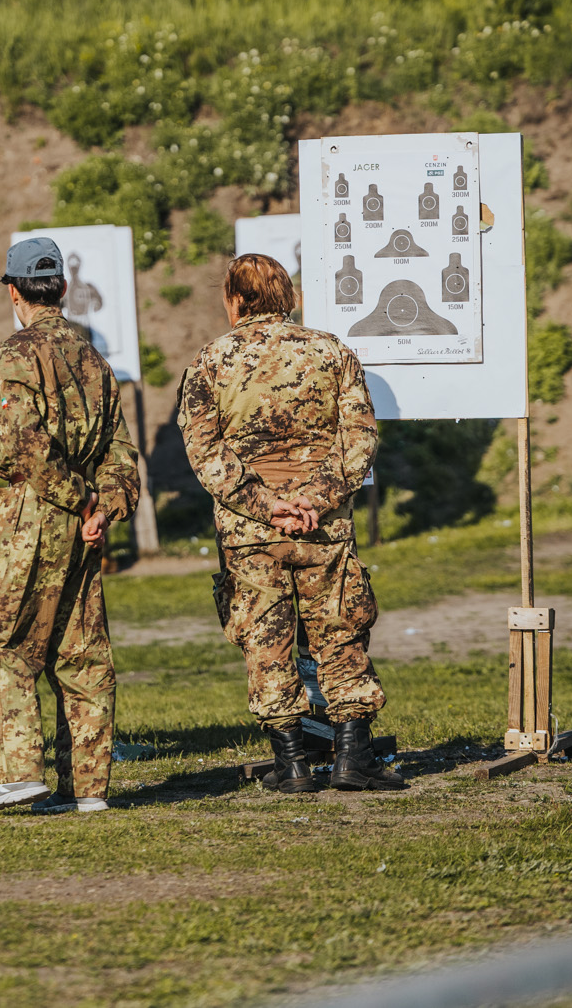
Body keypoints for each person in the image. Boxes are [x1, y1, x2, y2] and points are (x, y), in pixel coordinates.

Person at [177, 253, 403, 792]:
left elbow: (203, 450)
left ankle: (292, 766)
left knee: (266, 636)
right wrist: (316, 498)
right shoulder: (331, 352)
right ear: (290, 298)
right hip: (323, 526)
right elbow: (360, 439)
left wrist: (264, 504)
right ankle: (353, 759)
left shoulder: (210, 360)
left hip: (251, 532)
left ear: (233, 301)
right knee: (340, 631)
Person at [0, 237, 139, 816]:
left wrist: (81, 501)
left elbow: (20, 451)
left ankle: (15, 773)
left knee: (3, 644)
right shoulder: (94, 359)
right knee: (80, 651)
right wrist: (103, 507)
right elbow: (120, 453)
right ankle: (87, 789)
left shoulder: (13, 354)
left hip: (34, 520)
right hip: (85, 524)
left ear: (14, 292)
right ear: (61, 289)